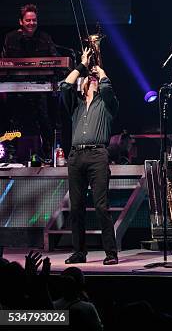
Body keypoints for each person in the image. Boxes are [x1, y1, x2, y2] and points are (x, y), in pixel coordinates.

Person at [60, 47, 119, 265]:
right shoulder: (74, 105)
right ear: (83, 84)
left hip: (97, 155)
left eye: (94, 79)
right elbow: (65, 85)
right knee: (76, 207)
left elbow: (109, 89)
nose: (92, 80)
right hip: (76, 157)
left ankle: (110, 253)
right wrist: (82, 66)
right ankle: (79, 252)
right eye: (89, 78)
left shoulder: (106, 104)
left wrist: (100, 72)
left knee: (101, 206)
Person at [1, 4, 58, 162]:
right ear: (21, 22)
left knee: (44, 119)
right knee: (12, 121)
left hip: (39, 87)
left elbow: (56, 60)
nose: (32, 23)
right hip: (15, 87)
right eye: (28, 20)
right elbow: (4, 63)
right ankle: (9, 154)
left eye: (34, 20)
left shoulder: (44, 38)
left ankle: (47, 154)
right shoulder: (11, 38)